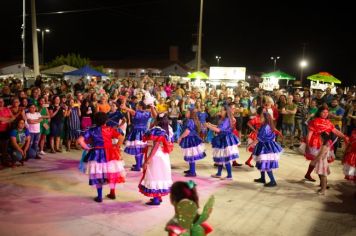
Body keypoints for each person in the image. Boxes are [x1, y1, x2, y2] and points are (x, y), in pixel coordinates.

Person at [77, 112, 126, 202]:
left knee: (98, 174)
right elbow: (121, 137)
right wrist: (117, 147)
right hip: (110, 153)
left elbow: (80, 140)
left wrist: (87, 148)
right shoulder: (110, 129)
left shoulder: (91, 130)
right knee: (112, 172)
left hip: (96, 154)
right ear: (106, 120)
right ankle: (112, 193)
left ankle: (99, 196)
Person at [304, 106, 349, 182]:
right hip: (316, 143)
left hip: (325, 144)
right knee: (319, 161)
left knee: (317, 160)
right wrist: (307, 144)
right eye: (323, 112)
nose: (325, 114)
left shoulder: (329, 122)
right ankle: (323, 182)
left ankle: (310, 175)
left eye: (327, 112)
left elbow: (335, 131)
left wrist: (344, 137)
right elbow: (309, 134)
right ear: (319, 112)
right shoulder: (314, 121)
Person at [138, 114, 173, 205]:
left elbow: (155, 146)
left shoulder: (156, 130)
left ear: (157, 121)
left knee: (154, 175)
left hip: (155, 155)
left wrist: (148, 159)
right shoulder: (168, 129)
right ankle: (158, 196)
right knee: (161, 174)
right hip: (163, 155)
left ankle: (156, 199)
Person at [122, 100, 157, 171]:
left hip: (136, 132)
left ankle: (138, 166)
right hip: (144, 132)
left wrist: (124, 103)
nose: (136, 106)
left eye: (137, 105)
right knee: (142, 148)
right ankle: (139, 163)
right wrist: (152, 107)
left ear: (140, 106)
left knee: (137, 149)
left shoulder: (136, 112)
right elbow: (155, 116)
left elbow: (126, 108)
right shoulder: (148, 113)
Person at [206, 106, 239, 180]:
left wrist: (209, 127)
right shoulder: (222, 119)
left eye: (222, 110)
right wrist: (211, 125)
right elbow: (218, 126)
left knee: (226, 157)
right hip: (221, 138)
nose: (220, 112)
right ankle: (219, 173)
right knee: (221, 156)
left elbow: (219, 130)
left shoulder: (227, 120)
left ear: (226, 112)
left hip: (226, 139)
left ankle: (229, 176)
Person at [251, 112, 283, 187]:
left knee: (266, 163)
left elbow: (260, 138)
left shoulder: (266, 126)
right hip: (263, 145)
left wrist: (250, 144)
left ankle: (273, 181)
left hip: (266, 147)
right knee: (261, 162)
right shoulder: (265, 125)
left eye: (261, 117)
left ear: (266, 119)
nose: (259, 118)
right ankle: (262, 178)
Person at [178, 109, 206, 177]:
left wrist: (180, 137)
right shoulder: (193, 120)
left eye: (187, 112)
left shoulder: (190, 121)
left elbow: (187, 131)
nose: (185, 113)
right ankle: (191, 169)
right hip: (193, 138)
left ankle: (192, 172)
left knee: (191, 155)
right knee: (191, 154)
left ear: (191, 114)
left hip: (190, 139)